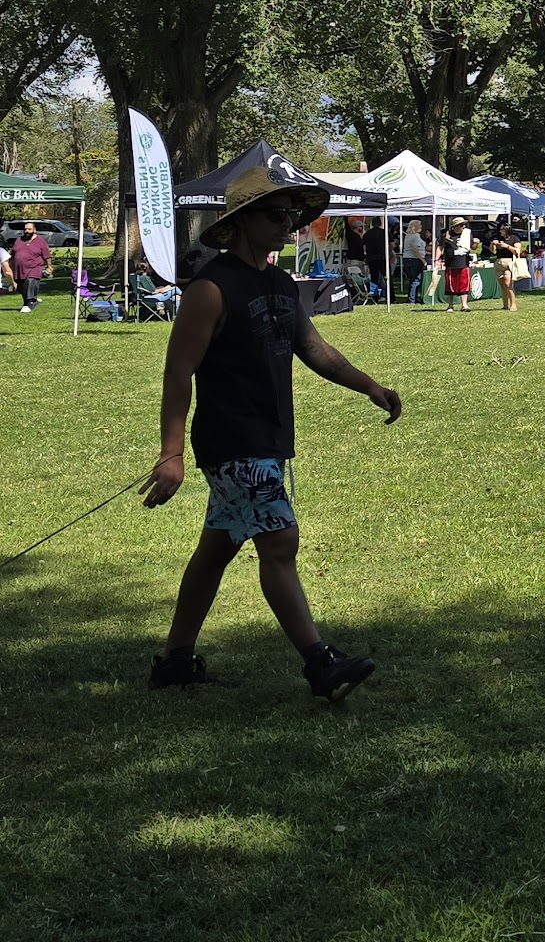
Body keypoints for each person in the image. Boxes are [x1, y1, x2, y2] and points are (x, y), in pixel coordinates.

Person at [140, 160, 400, 697]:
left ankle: (174, 662)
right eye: (277, 215)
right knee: (280, 543)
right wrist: (170, 453)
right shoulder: (210, 289)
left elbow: (314, 349)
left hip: (269, 436)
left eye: (292, 216)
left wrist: (370, 385)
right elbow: (178, 371)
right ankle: (319, 663)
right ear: (241, 222)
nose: (289, 225)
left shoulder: (281, 283)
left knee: (217, 550)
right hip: (232, 439)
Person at [10, 221, 50, 311]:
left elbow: (47, 255)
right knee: (21, 287)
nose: (27, 231)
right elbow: (13, 253)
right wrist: (9, 264)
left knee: (30, 281)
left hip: (34, 267)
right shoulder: (19, 240)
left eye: (29, 229)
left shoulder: (40, 241)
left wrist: (49, 266)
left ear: (34, 230)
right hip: (19, 269)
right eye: (25, 229)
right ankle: (32, 301)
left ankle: (27, 304)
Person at [440, 217, 474, 312]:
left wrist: (476, 243)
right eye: (461, 225)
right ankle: (450, 306)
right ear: (455, 226)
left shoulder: (467, 234)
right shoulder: (447, 235)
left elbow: (472, 246)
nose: (463, 226)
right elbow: (440, 247)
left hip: (463, 262)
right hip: (450, 263)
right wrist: (436, 259)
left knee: (464, 283)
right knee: (450, 284)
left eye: (464, 224)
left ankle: (464, 305)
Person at [489, 223, 520, 311]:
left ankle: (513, 304)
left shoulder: (514, 238)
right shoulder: (498, 238)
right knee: (502, 284)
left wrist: (507, 246)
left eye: (502, 229)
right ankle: (505, 305)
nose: (500, 231)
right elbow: (492, 251)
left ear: (507, 230)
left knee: (508, 284)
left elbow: (517, 251)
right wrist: (493, 244)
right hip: (499, 263)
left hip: (509, 263)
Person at [401, 219, 428, 304]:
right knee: (416, 280)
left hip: (407, 258)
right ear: (415, 227)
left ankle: (411, 297)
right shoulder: (416, 236)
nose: (421, 227)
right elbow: (415, 248)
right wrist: (422, 260)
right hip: (414, 259)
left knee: (412, 279)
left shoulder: (408, 235)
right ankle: (412, 299)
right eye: (419, 225)